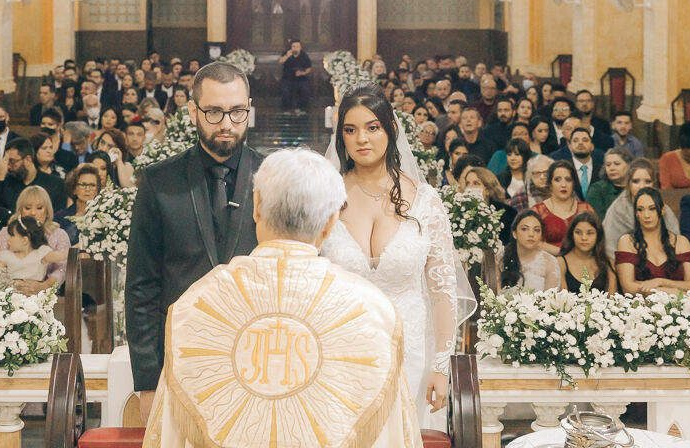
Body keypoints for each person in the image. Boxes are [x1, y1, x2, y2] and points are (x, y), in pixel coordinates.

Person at [145, 148, 421, 447]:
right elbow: (394, 435)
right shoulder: (372, 312)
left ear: (256, 206)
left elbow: (169, 435)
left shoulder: (195, 306)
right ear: (332, 221)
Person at [320, 84, 474, 427]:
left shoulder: (426, 201)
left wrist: (441, 366)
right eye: (350, 130)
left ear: (390, 129)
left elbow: (442, 293)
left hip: (410, 353)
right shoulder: (325, 199)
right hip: (339, 353)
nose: (362, 139)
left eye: (372, 127)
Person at [126, 62, 263, 423]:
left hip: (259, 360)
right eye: (214, 112)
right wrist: (147, 382)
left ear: (249, 109)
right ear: (192, 111)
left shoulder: (273, 177)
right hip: (181, 360)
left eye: (237, 111)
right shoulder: (159, 181)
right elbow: (141, 286)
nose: (227, 123)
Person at [615, 188, 690, 295]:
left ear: (662, 210)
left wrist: (660, 282)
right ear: (636, 213)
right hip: (640, 305)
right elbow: (629, 288)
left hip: (679, 305)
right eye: (640, 209)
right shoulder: (627, 241)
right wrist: (669, 291)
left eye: (652, 209)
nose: (646, 215)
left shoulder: (681, 242)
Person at [0, 186, 71, 295]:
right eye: (27, 208)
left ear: (47, 211)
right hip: (8, 293)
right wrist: (13, 286)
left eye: (39, 208)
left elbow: (62, 268)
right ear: (20, 211)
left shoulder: (59, 235)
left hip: (47, 294)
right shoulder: (7, 232)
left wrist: (45, 286)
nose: (33, 213)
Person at [602, 158, 680, 260]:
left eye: (647, 181)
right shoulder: (617, 209)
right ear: (629, 183)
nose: (641, 186)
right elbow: (609, 249)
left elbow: (676, 242)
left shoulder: (663, 208)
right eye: (636, 181)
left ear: (654, 184)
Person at [0, 137, 67, 214]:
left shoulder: (56, 184)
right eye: (6, 162)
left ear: (28, 160)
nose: (8, 167)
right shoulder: (4, 182)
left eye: (12, 161)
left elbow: (59, 215)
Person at [532, 160, 595, 253]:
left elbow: (596, 239)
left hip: (582, 259)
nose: (563, 185)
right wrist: (563, 254)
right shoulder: (538, 211)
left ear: (573, 184)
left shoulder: (585, 209)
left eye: (568, 180)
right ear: (550, 184)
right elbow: (533, 242)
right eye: (557, 179)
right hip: (548, 260)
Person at [498, 210, 561, 291]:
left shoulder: (550, 262)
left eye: (536, 230)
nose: (531, 234)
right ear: (514, 234)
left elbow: (551, 297)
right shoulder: (500, 257)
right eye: (524, 229)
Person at [0, 215, 68, 282]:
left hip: (36, 292)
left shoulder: (41, 253)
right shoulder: (6, 256)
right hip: (11, 292)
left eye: (12, 236)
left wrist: (75, 248)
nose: (8, 239)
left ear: (24, 240)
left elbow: (61, 255)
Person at [557, 212, 617, 294]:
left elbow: (613, 299)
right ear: (571, 234)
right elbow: (562, 300)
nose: (584, 238)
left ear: (598, 235)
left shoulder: (608, 263)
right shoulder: (560, 263)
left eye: (590, 233)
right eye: (578, 232)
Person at [549, 126, 604, 200]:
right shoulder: (563, 169)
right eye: (575, 140)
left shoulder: (601, 167)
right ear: (570, 146)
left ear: (592, 146)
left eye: (585, 140)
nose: (580, 143)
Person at [56, 163, 101, 245]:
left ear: (97, 190)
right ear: (74, 189)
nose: (87, 189)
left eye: (92, 185)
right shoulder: (60, 217)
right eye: (83, 184)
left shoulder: (103, 217)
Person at [584, 148, 632, 219]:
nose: (612, 168)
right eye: (608, 165)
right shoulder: (597, 189)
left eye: (617, 164)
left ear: (629, 165)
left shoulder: (636, 187)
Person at [279, 39, 313, 114]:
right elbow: (280, 61)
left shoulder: (304, 55)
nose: (295, 48)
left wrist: (303, 73)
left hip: (301, 79)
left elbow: (309, 68)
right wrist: (287, 56)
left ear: (300, 47)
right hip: (287, 79)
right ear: (291, 47)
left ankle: (301, 108)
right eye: (293, 46)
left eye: (297, 46)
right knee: (285, 90)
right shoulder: (287, 53)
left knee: (305, 90)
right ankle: (286, 109)